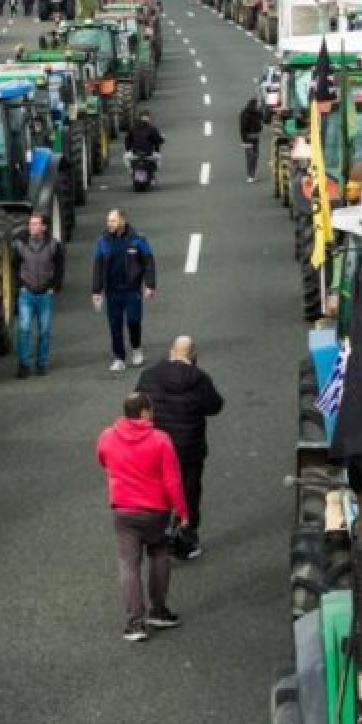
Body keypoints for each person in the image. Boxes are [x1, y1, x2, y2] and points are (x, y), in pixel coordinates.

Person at [96, 392, 189, 642]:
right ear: (145, 412)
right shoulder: (160, 440)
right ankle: (158, 610)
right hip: (155, 512)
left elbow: (103, 460)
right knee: (159, 554)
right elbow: (172, 480)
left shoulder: (107, 436)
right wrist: (182, 512)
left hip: (124, 510)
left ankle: (135, 623)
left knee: (128, 564)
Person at [135, 336, 224, 560]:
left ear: (171, 352)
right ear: (193, 355)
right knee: (189, 492)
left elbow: (137, 404)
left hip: (155, 445)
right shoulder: (200, 378)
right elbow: (215, 406)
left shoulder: (149, 374)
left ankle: (157, 535)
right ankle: (185, 538)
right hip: (188, 447)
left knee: (158, 489)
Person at [91, 208, 156, 373]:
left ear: (122, 221)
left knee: (134, 321)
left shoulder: (138, 239)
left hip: (132, 290)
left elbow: (148, 262)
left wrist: (150, 285)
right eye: (108, 221)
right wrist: (96, 291)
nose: (109, 224)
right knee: (115, 325)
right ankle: (119, 357)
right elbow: (97, 267)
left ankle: (136, 349)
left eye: (112, 221)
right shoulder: (102, 241)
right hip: (112, 291)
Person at [14, 210, 65, 378]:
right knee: (24, 328)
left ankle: (42, 363)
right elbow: (14, 266)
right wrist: (19, 285)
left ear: (43, 227)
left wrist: (54, 287)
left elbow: (59, 268)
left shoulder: (54, 245)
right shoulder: (20, 244)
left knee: (44, 330)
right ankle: (24, 365)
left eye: (35, 224)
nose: (31, 227)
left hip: (45, 294)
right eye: (30, 224)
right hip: (26, 292)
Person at [238, 97, 264, 183]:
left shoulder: (244, 113)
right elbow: (261, 122)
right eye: (258, 104)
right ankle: (251, 175)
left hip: (248, 137)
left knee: (250, 157)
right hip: (253, 136)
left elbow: (241, 127)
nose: (259, 106)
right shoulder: (257, 114)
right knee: (254, 156)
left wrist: (243, 138)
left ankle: (251, 175)